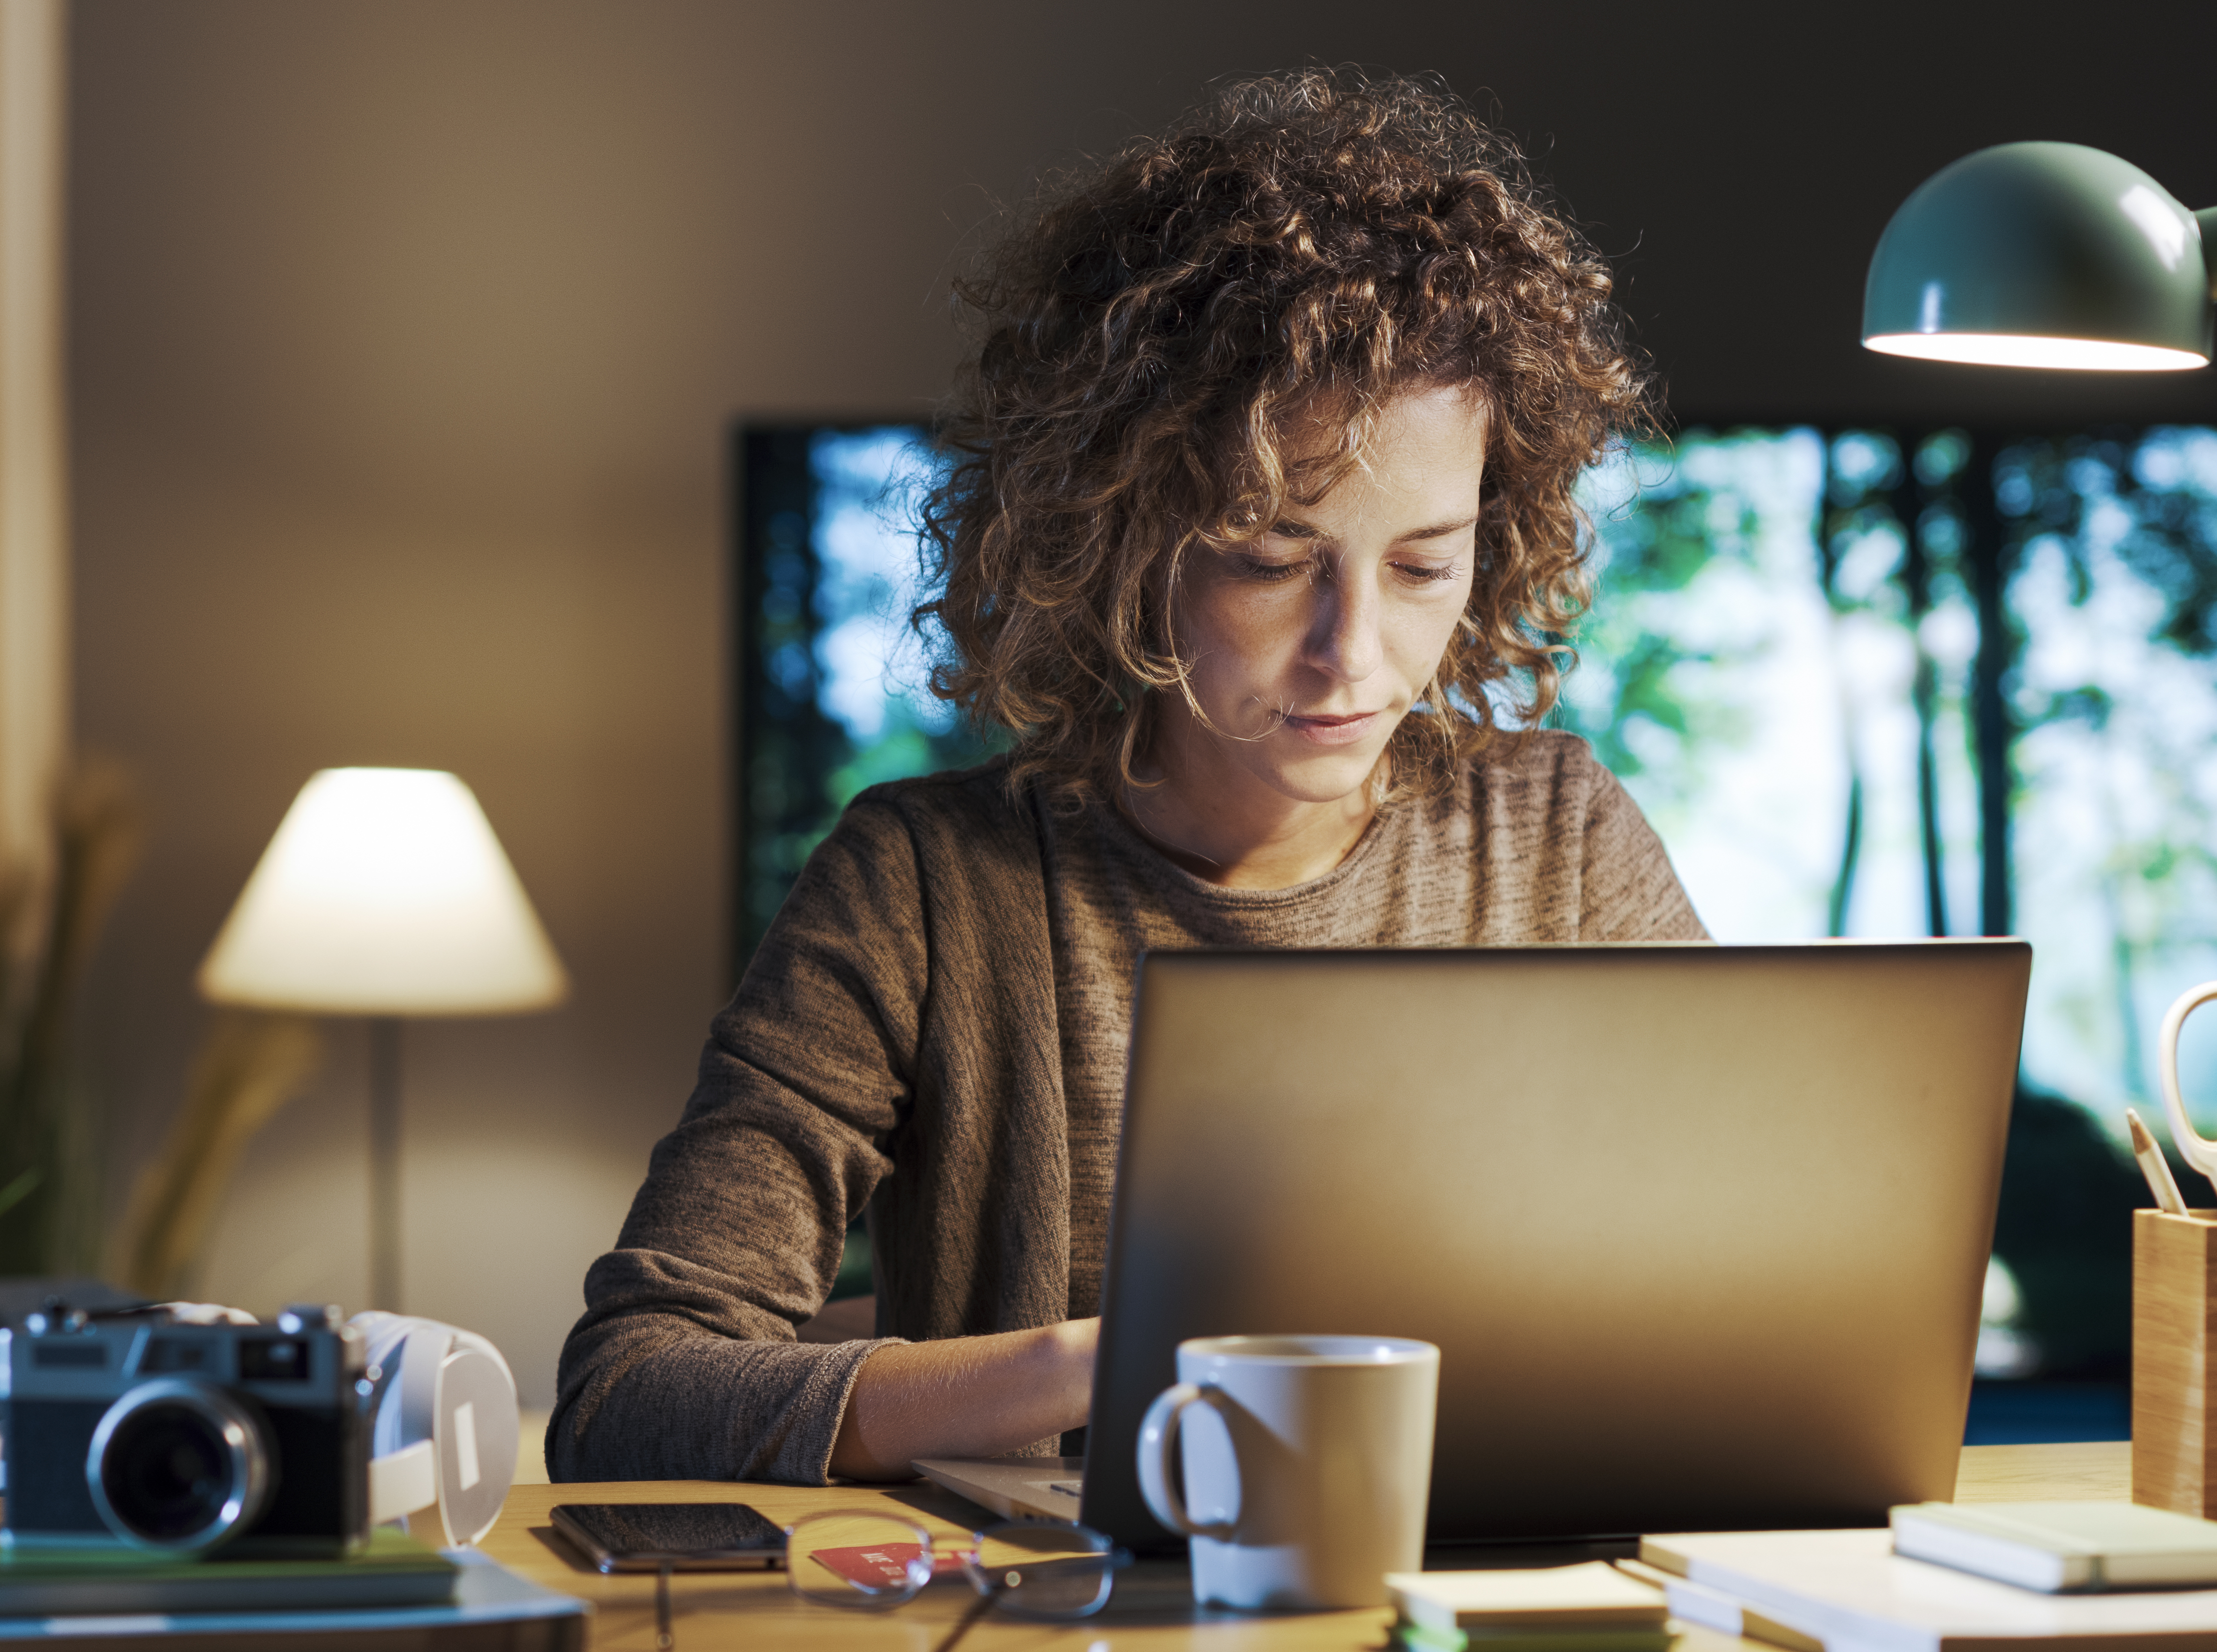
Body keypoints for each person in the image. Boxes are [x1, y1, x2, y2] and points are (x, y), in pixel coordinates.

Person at [549, 68, 1706, 1486]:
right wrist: (1098, 1362)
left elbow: (1724, 1307)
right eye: (1273, 558)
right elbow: (630, 1395)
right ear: (1118, 536)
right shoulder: (922, 889)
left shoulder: (1560, 838)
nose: (1357, 654)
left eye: (1423, 566)